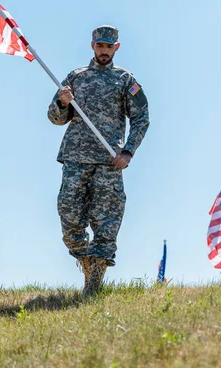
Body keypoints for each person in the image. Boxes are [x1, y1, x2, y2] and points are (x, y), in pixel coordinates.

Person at [48, 25, 150, 296]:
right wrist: (62, 102)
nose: (103, 50)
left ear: (116, 47)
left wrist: (128, 151)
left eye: (108, 46)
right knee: (69, 218)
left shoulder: (125, 80)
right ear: (92, 46)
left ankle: (94, 282)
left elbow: (141, 117)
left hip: (108, 162)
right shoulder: (76, 77)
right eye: (99, 45)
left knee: (106, 223)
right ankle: (86, 265)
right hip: (74, 159)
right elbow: (55, 118)